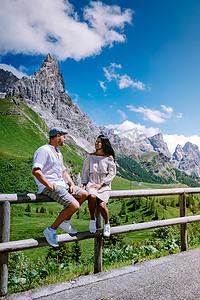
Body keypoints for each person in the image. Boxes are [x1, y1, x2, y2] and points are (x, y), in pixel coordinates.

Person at [32, 127, 88, 247]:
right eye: (64, 136)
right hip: (50, 186)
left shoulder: (58, 152)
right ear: (57, 136)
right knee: (75, 205)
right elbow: (36, 171)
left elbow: (63, 172)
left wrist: (72, 184)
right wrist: (50, 186)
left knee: (84, 194)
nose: (65, 139)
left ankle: (66, 221)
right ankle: (51, 230)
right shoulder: (43, 150)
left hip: (61, 184)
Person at [81, 135, 116, 237]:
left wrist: (101, 183)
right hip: (92, 182)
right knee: (92, 196)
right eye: (96, 141)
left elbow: (112, 173)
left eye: (99, 142)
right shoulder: (90, 156)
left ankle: (107, 224)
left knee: (101, 205)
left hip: (104, 184)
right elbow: (85, 172)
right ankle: (92, 219)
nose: (96, 143)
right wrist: (84, 184)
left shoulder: (109, 158)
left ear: (104, 144)